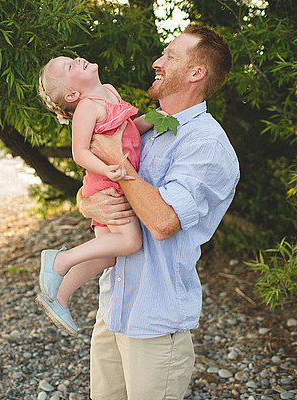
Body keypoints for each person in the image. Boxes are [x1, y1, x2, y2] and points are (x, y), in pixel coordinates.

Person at [77, 24, 240, 400]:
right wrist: (85, 202)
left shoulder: (207, 145)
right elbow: (96, 189)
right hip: (113, 307)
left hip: (155, 321)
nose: (157, 62)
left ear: (196, 73)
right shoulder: (142, 129)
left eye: (169, 56)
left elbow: (164, 222)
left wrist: (116, 158)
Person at [35, 55, 163, 336]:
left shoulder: (110, 92)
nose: (77, 59)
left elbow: (129, 130)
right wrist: (108, 168)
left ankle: (60, 296)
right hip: (106, 184)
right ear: (72, 93)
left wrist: (154, 119)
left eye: (71, 58)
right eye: (70, 66)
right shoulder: (87, 108)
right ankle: (60, 261)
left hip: (115, 178)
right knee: (129, 242)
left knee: (108, 255)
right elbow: (79, 152)